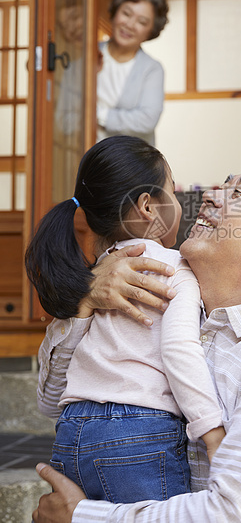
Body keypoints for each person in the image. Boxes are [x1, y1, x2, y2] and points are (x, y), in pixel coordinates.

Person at [32, 151, 241, 522]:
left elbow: (236, 513)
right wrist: (85, 304)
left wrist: (82, 517)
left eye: (239, 195)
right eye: (223, 184)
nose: (210, 195)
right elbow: (50, 402)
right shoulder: (161, 301)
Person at [25, 135, 224, 504]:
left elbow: (50, 402)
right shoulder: (174, 268)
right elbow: (180, 350)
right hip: (140, 434)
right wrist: (212, 432)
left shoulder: (86, 280)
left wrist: (78, 306)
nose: (179, 202)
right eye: (173, 190)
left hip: (71, 434)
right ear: (148, 206)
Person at [96, 0, 169, 145]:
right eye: (126, 13)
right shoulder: (86, 54)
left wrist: (98, 115)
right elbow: (65, 114)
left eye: (142, 22)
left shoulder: (152, 69)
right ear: (115, 12)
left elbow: (146, 120)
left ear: (151, 31)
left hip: (130, 164)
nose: (129, 25)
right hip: (81, 157)